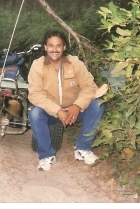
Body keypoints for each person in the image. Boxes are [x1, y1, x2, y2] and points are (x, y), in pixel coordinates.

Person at [28, 30, 106, 171]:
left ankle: (83, 148)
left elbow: (90, 87)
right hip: (50, 112)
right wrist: (57, 111)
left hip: (73, 111)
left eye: (58, 46)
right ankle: (46, 155)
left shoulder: (75, 63)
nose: (54, 49)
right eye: (51, 46)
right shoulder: (38, 65)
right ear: (45, 47)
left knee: (98, 104)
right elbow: (35, 94)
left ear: (64, 47)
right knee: (34, 113)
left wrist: (77, 105)